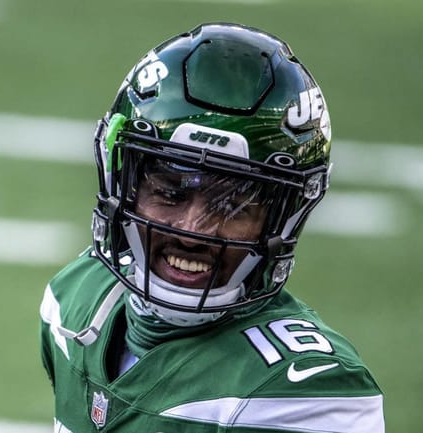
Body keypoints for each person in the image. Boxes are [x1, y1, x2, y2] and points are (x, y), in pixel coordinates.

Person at [39, 22, 385, 433]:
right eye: (170, 192)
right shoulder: (76, 299)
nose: (191, 230)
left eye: (232, 205)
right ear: (123, 188)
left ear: (281, 218)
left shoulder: (305, 393)